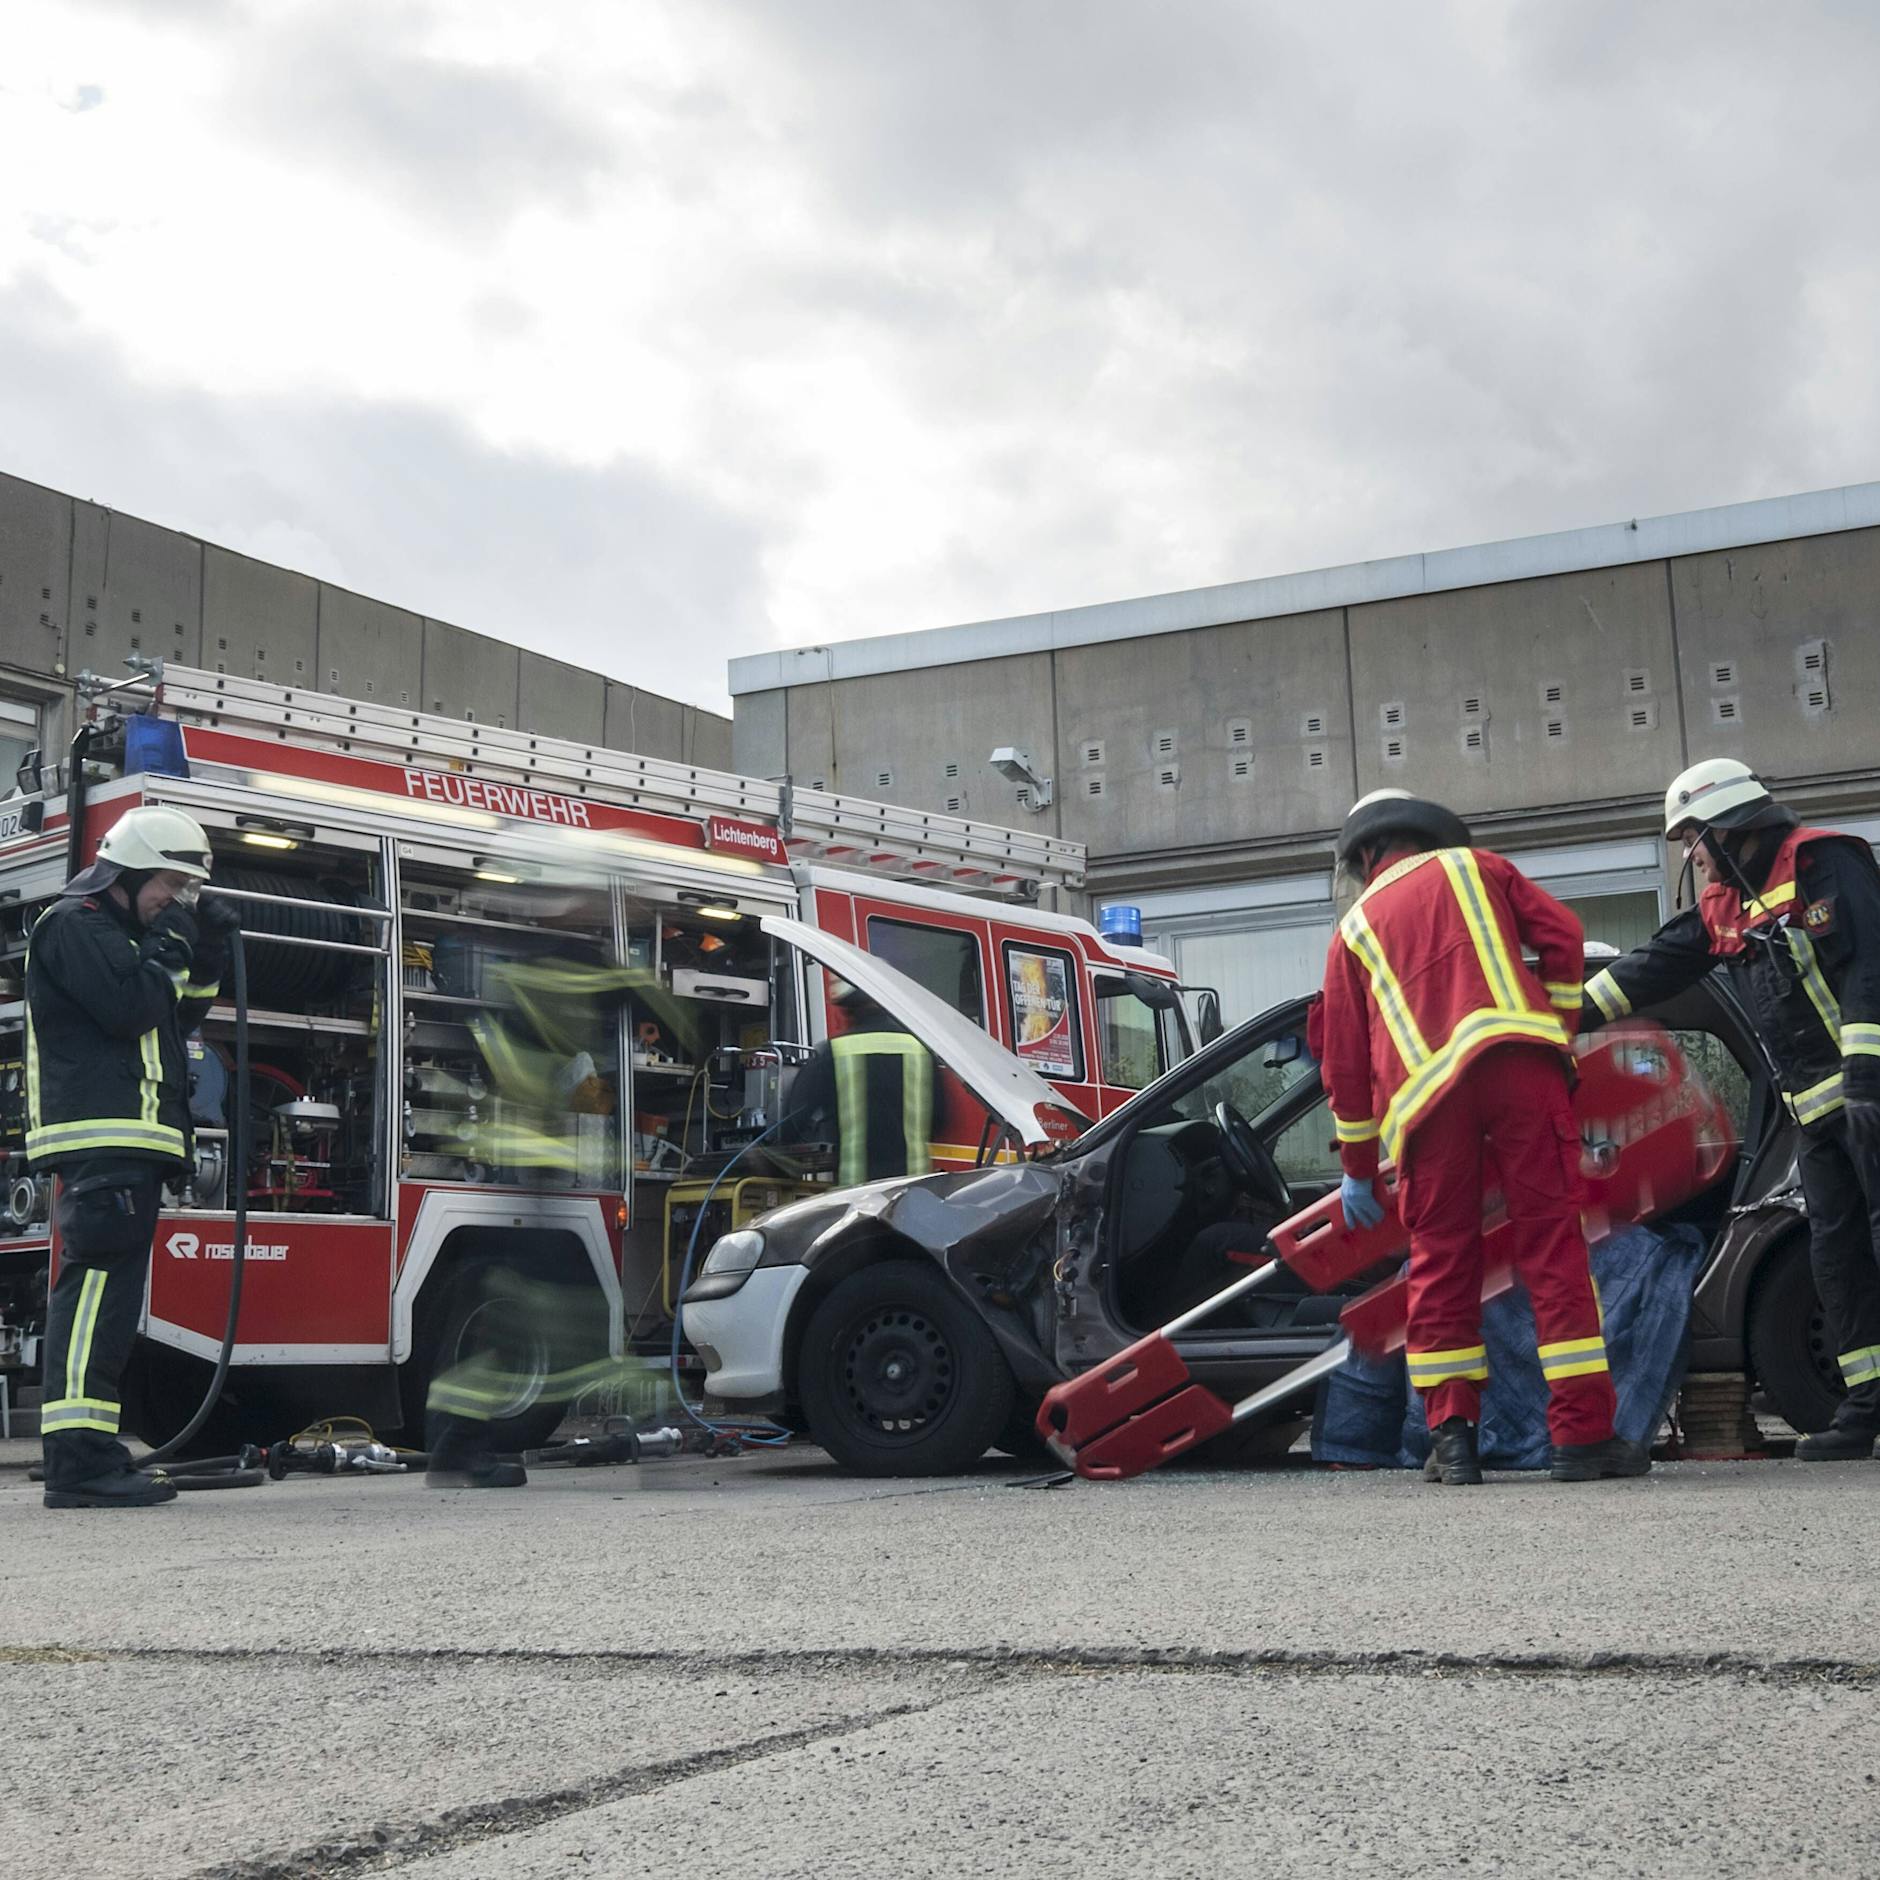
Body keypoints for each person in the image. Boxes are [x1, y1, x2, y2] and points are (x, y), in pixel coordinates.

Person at [1319, 789, 1643, 1486]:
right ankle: (1582, 1439)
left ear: (1365, 854)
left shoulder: (1353, 929)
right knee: (1554, 1248)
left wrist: (1357, 1169)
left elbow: (1343, 1061)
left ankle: (1453, 1439)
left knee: (1441, 1261)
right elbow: (1562, 936)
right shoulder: (1479, 867)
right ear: (1429, 834)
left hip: (1428, 1106)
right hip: (1523, 1071)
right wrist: (1554, 1027)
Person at [1583, 758, 1880, 1461]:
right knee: (1837, 1259)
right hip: (1820, 1117)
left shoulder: (1825, 863)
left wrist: (1867, 1074)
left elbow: (1870, 969)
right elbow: (1653, 965)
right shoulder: (1729, 907)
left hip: (1870, 1097)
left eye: (1694, 837)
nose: (1692, 854)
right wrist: (1553, 1018)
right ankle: (1866, 1408)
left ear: (1728, 826)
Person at [26, 804, 236, 1509]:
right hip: (101, 1138)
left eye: (187, 892)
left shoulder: (130, 937)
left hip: (132, 1142)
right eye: (170, 886)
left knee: (108, 1306)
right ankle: (79, 1465)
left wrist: (201, 959)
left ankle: (89, 1454)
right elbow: (128, 1009)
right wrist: (176, 944)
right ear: (133, 869)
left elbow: (177, 1020)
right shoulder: (74, 924)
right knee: (92, 1301)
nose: (176, 902)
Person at [783, 981, 939, 1186]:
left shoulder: (834, 1053)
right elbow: (941, 1120)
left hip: (858, 1193)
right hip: (913, 1190)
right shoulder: (920, 1049)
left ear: (847, 1011)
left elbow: (794, 1120)